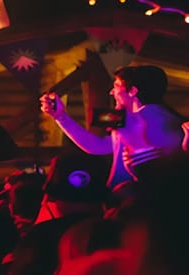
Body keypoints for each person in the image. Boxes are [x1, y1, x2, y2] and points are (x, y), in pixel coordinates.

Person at [40, 65, 183, 191]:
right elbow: (99, 146)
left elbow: (97, 146)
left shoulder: (131, 120)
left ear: (132, 91)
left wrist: (60, 116)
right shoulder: (173, 119)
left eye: (116, 86)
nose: (111, 92)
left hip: (133, 199)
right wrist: (60, 117)